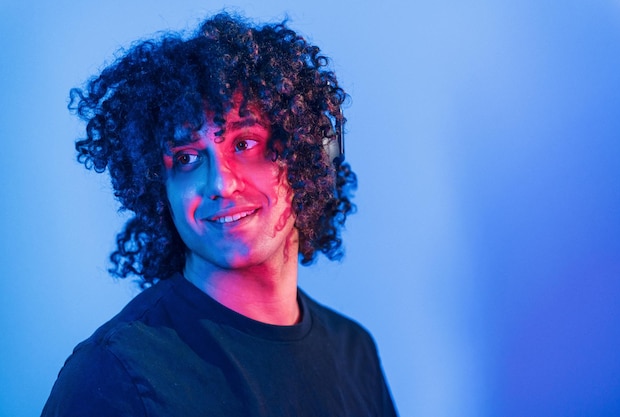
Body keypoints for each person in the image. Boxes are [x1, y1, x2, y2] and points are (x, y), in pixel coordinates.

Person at [42, 12, 397, 417]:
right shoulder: (115, 374)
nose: (220, 184)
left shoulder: (354, 353)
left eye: (245, 144)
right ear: (159, 188)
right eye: (188, 157)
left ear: (309, 157)